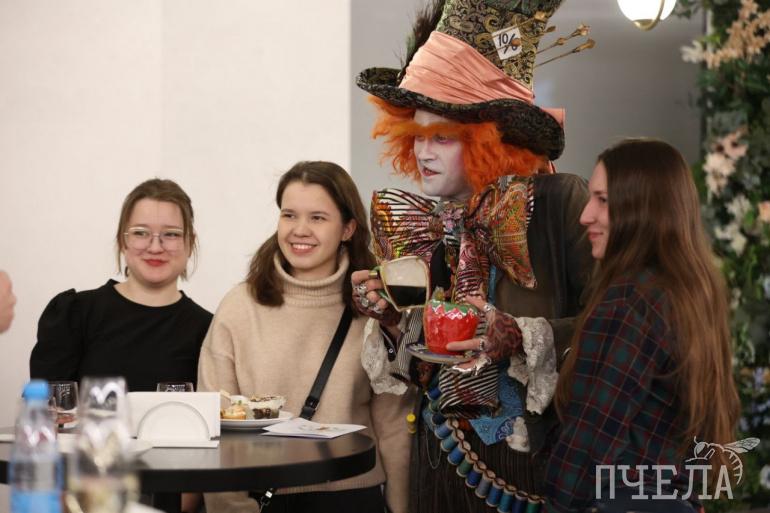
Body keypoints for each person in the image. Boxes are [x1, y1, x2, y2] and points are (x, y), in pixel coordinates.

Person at [351, 1, 594, 511]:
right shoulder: (431, 223)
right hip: (440, 467)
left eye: (442, 137)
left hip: (533, 471)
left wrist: (523, 336)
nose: (423, 153)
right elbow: (423, 366)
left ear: (492, 140)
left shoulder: (560, 202)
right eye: (417, 137)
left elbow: (610, 326)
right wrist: (393, 322)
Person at [197, 161, 413, 513]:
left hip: (353, 498)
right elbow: (214, 421)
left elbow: (393, 424)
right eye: (289, 215)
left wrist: (401, 508)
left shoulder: (376, 309)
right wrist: (230, 507)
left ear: (347, 229)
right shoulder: (239, 306)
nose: (299, 230)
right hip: (261, 500)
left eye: (317, 218)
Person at [544, 139, 741, 513]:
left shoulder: (630, 300)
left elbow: (588, 442)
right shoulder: (690, 293)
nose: (585, 215)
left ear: (644, 209)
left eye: (603, 200)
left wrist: (554, 504)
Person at [30, 178, 213, 391]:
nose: (155, 247)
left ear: (190, 243)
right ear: (122, 241)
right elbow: (48, 407)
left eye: (171, 234)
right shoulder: (75, 314)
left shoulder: (209, 331)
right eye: (140, 233)